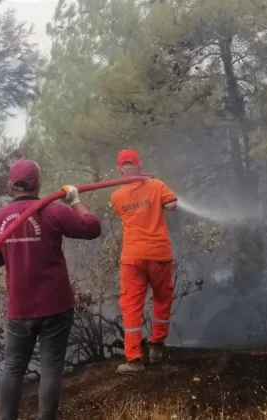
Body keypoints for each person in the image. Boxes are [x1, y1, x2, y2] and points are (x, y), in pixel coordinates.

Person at [0, 158, 101, 420]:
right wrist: (75, 201)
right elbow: (92, 227)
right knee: (51, 367)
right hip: (55, 305)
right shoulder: (53, 212)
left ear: (11, 185)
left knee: (13, 368)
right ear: (39, 182)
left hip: (19, 308)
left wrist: (12, 251)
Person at [110, 149, 178, 374]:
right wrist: (153, 195)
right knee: (161, 299)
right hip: (159, 255)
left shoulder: (117, 196)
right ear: (140, 164)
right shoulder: (156, 185)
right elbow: (171, 205)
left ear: (120, 169)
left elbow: (125, 214)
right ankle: (157, 346)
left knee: (131, 307)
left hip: (133, 258)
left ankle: (134, 360)